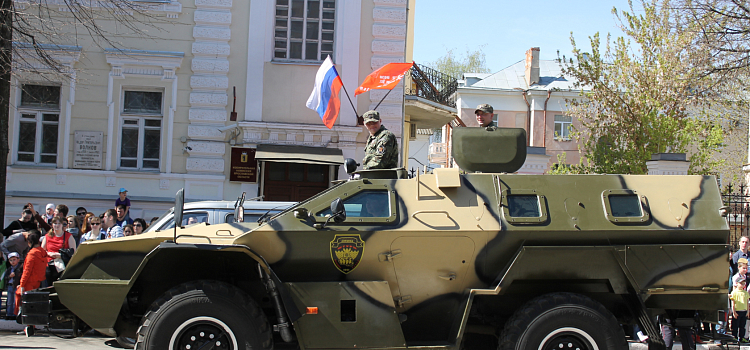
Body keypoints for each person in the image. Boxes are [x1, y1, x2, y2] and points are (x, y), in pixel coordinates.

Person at [15, 230, 46, 337]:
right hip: (37, 282)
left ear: (29, 242)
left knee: (25, 304)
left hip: (29, 282)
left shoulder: (32, 253)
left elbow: (26, 271)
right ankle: (32, 326)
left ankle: (28, 327)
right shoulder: (42, 252)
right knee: (33, 305)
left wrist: (22, 284)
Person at [41, 216, 76, 286]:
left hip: (62, 265)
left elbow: (73, 252)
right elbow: (42, 251)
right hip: (49, 264)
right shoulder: (47, 236)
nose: (57, 225)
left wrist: (60, 255)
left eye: (59, 223)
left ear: (62, 225)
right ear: (52, 225)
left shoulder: (68, 236)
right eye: (55, 223)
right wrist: (49, 254)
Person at [732, 278, 750, 342]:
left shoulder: (745, 293)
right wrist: (734, 312)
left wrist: (748, 311)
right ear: (736, 283)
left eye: (743, 284)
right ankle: (735, 337)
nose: (742, 285)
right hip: (737, 311)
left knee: (742, 326)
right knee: (735, 325)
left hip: (744, 311)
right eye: (740, 283)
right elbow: (733, 303)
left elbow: (747, 302)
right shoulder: (734, 292)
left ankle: (742, 337)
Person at [4, 252, 21, 320]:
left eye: (14, 259)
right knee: (9, 301)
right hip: (10, 286)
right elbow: (5, 277)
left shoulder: (20, 268)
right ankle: (9, 314)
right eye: (11, 260)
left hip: (16, 286)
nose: (12, 262)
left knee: (15, 302)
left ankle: (14, 314)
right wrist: (9, 276)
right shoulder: (9, 269)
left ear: (18, 259)